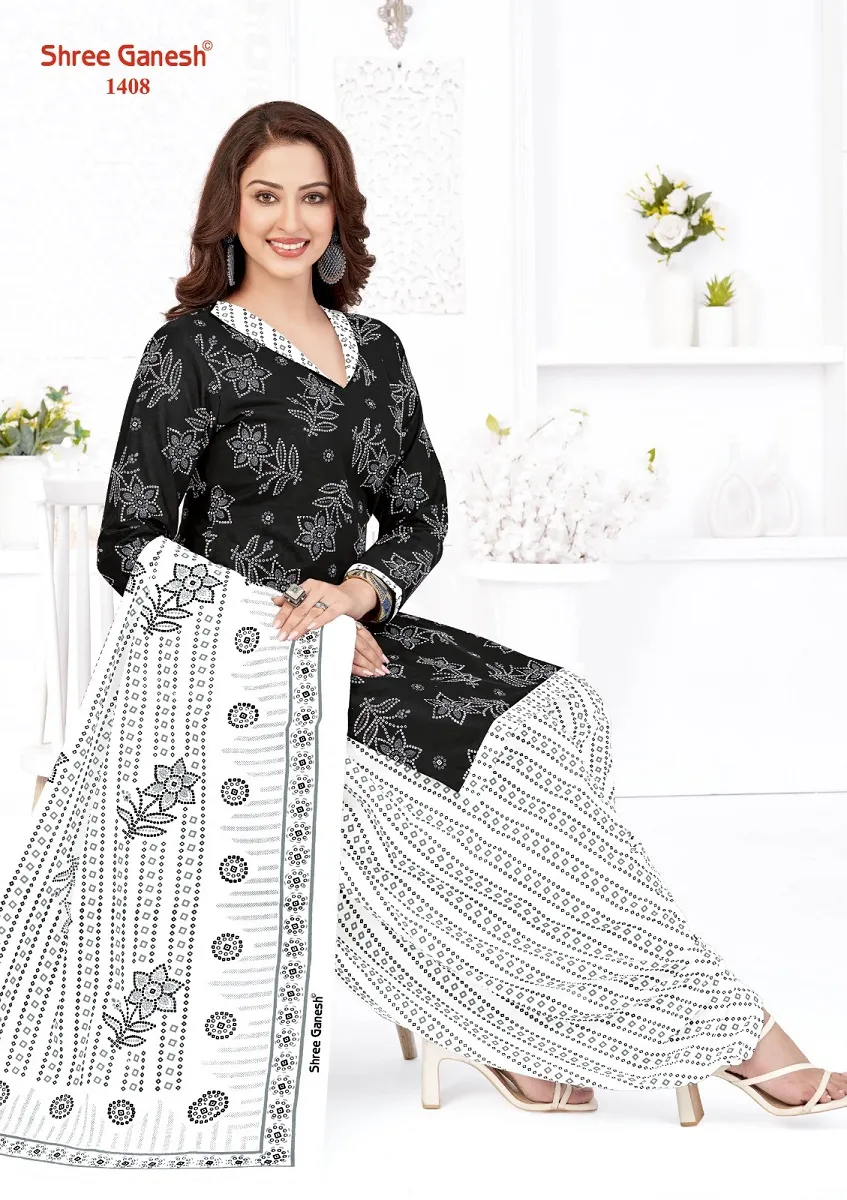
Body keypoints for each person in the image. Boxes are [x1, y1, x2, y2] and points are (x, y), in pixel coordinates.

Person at [96, 99, 847, 1120]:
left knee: (556, 715)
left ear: (339, 211)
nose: (289, 221)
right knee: (495, 775)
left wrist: (358, 593)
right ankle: (740, 1038)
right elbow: (131, 540)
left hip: (363, 628)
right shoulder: (188, 350)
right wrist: (280, 624)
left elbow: (420, 514)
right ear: (229, 208)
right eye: (266, 196)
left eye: (312, 197)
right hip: (244, 656)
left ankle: (515, 1018)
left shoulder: (377, 349)